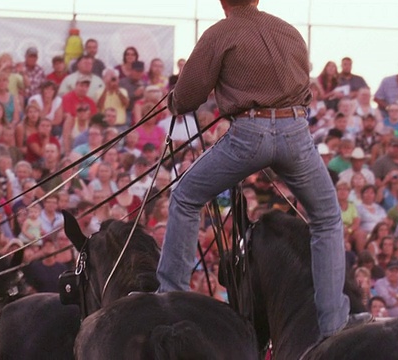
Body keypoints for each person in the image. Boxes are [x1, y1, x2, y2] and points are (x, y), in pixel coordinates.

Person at [156, 0, 369, 340]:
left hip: (249, 134)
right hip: (296, 132)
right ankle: (334, 323)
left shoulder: (219, 33)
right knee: (327, 216)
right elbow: (305, 90)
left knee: (185, 197)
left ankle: (169, 296)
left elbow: (188, 97)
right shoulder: (288, 31)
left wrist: (174, 101)